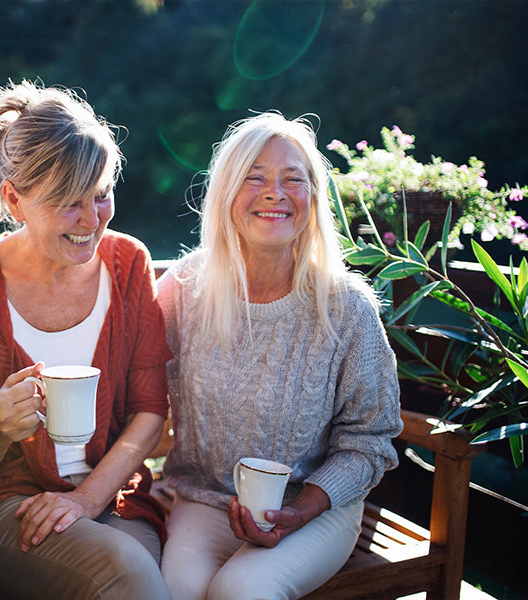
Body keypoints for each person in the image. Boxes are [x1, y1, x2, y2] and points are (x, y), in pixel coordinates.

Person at [0, 80, 172, 600]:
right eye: (70, 203)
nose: (93, 221)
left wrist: (86, 499)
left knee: (142, 576)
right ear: (14, 199)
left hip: (111, 498)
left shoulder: (129, 262)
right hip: (3, 505)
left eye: (102, 194)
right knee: (127, 576)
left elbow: (149, 412)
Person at [157, 112, 403, 600]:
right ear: (226, 192)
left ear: (313, 199)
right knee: (174, 591)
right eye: (255, 177)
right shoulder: (184, 288)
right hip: (205, 500)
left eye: (294, 179)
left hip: (318, 508)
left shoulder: (346, 308)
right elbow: (132, 388)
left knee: (242, 591)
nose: (275, 192)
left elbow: (371, 440)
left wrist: (303, 510)